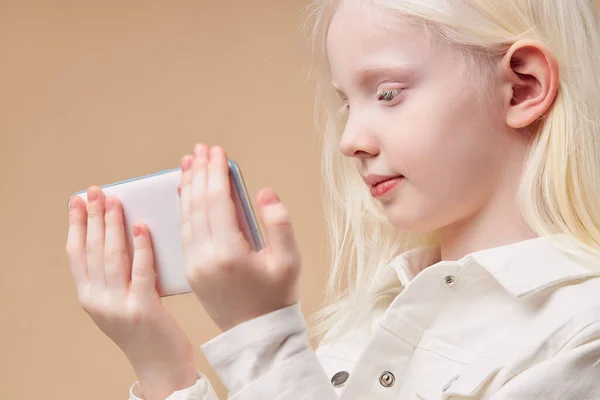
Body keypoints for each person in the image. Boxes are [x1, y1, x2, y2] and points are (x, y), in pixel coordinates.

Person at [65, 0, 600, 398]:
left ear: (523, 87)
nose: (350, 141)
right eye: (347, 103)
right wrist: (162, 364)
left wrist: (260, 333)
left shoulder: (583, 332)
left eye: (387, 94)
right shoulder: (368, 322)